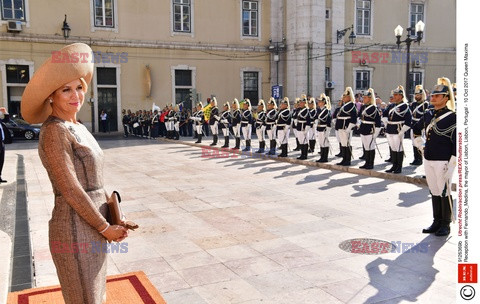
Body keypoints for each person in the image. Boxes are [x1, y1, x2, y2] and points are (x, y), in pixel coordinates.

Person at [20, 43, 128, 304]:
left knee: (95, 297)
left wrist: (115, 215)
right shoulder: (55, 131)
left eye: (79, 87)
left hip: (93, 224)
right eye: (65, 90)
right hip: (74, 230)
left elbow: (94, 180)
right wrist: (104, 227)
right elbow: (69, 188)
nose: (75, 95)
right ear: (51, 97)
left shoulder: (77, 125)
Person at [413, 77, 456, 236]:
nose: (433, 98)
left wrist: (452, 166)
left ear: (446, 98)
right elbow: (416, 129)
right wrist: (419, 144)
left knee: (444, 191)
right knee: (434, 190)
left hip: (444, 160)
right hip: (429, 158)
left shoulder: (453, 117)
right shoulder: (428, 113)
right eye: (432, 96)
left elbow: (457, 142)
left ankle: (445, 224)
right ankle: (436, 221)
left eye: (437, 96)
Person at [385, 85, 412, 174]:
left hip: (398, 130)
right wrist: (386, 124)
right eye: (394, 95)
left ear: (401, 96)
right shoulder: (392, 105)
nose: (394, 96)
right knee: (393, 148)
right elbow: (385, 115)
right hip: (390, 129)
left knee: (398, 148)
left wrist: (402, 131)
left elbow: (408, 120)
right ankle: (394, 165)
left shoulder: (405, 106)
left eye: (396, 95)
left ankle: (399, 167)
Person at [358, 88, 382, 169]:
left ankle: (370, 163)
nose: (363, 99)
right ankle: (366, 162)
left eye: (365, 98)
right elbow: (360, 117)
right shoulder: (363, 107)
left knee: (371, 147)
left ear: (370, 98)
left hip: (370, 130)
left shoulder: (374, 108)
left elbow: (378, 123)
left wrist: (375, 134)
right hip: (363, 128)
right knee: (366, 147)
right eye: (363, 97)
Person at [334, 87, 357, 166]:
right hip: (341, 127)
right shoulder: (344, 106)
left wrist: (349, 128)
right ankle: (344, 159)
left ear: (349, 97)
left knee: (347, 143)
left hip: (346, 127)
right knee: (343, 144)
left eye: (345, 96)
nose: (343, 98)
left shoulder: (352, 105)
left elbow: (354, 118)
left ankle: (348, 160)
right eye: (343, 96)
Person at [409, 85, 429, 166]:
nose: (417, 96)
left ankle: (420, 159)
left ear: (422, 95)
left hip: (421, 126)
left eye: (419, 95)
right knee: (414, 142)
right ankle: (415, 158)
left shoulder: (425, 104)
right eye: (416, 95)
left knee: (420, 142)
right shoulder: (413, 104)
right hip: (413, 124)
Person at [315, 94, 331, 163]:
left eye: (319, 101)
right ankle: (322, 157)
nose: (318, 102)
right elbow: (316, 118)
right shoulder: (319, 110)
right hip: (319, 128)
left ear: (323, 102)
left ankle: (325, 158)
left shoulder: (326, 110)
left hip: (324, 128)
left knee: (325, 143)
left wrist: (327, 130)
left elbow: (328, 121)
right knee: (321, 143)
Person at [295, 95, 311, 160]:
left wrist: (306, 129)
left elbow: (308, 120)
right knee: (301, 141)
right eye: (300, 102)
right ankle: (302, 154)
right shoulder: (298, 110)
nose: (300, 103)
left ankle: (305, 155)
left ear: (305, 103)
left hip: (304, 127)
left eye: (301, 102)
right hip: (299, 127)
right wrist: (296, 123)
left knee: (305, 141)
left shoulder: (307, 110)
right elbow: (296, 117)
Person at [0, 107, 13, 183]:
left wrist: (5, 112)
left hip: (2, 143)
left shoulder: (0, 121)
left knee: (1, 161)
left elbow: (7, 120)